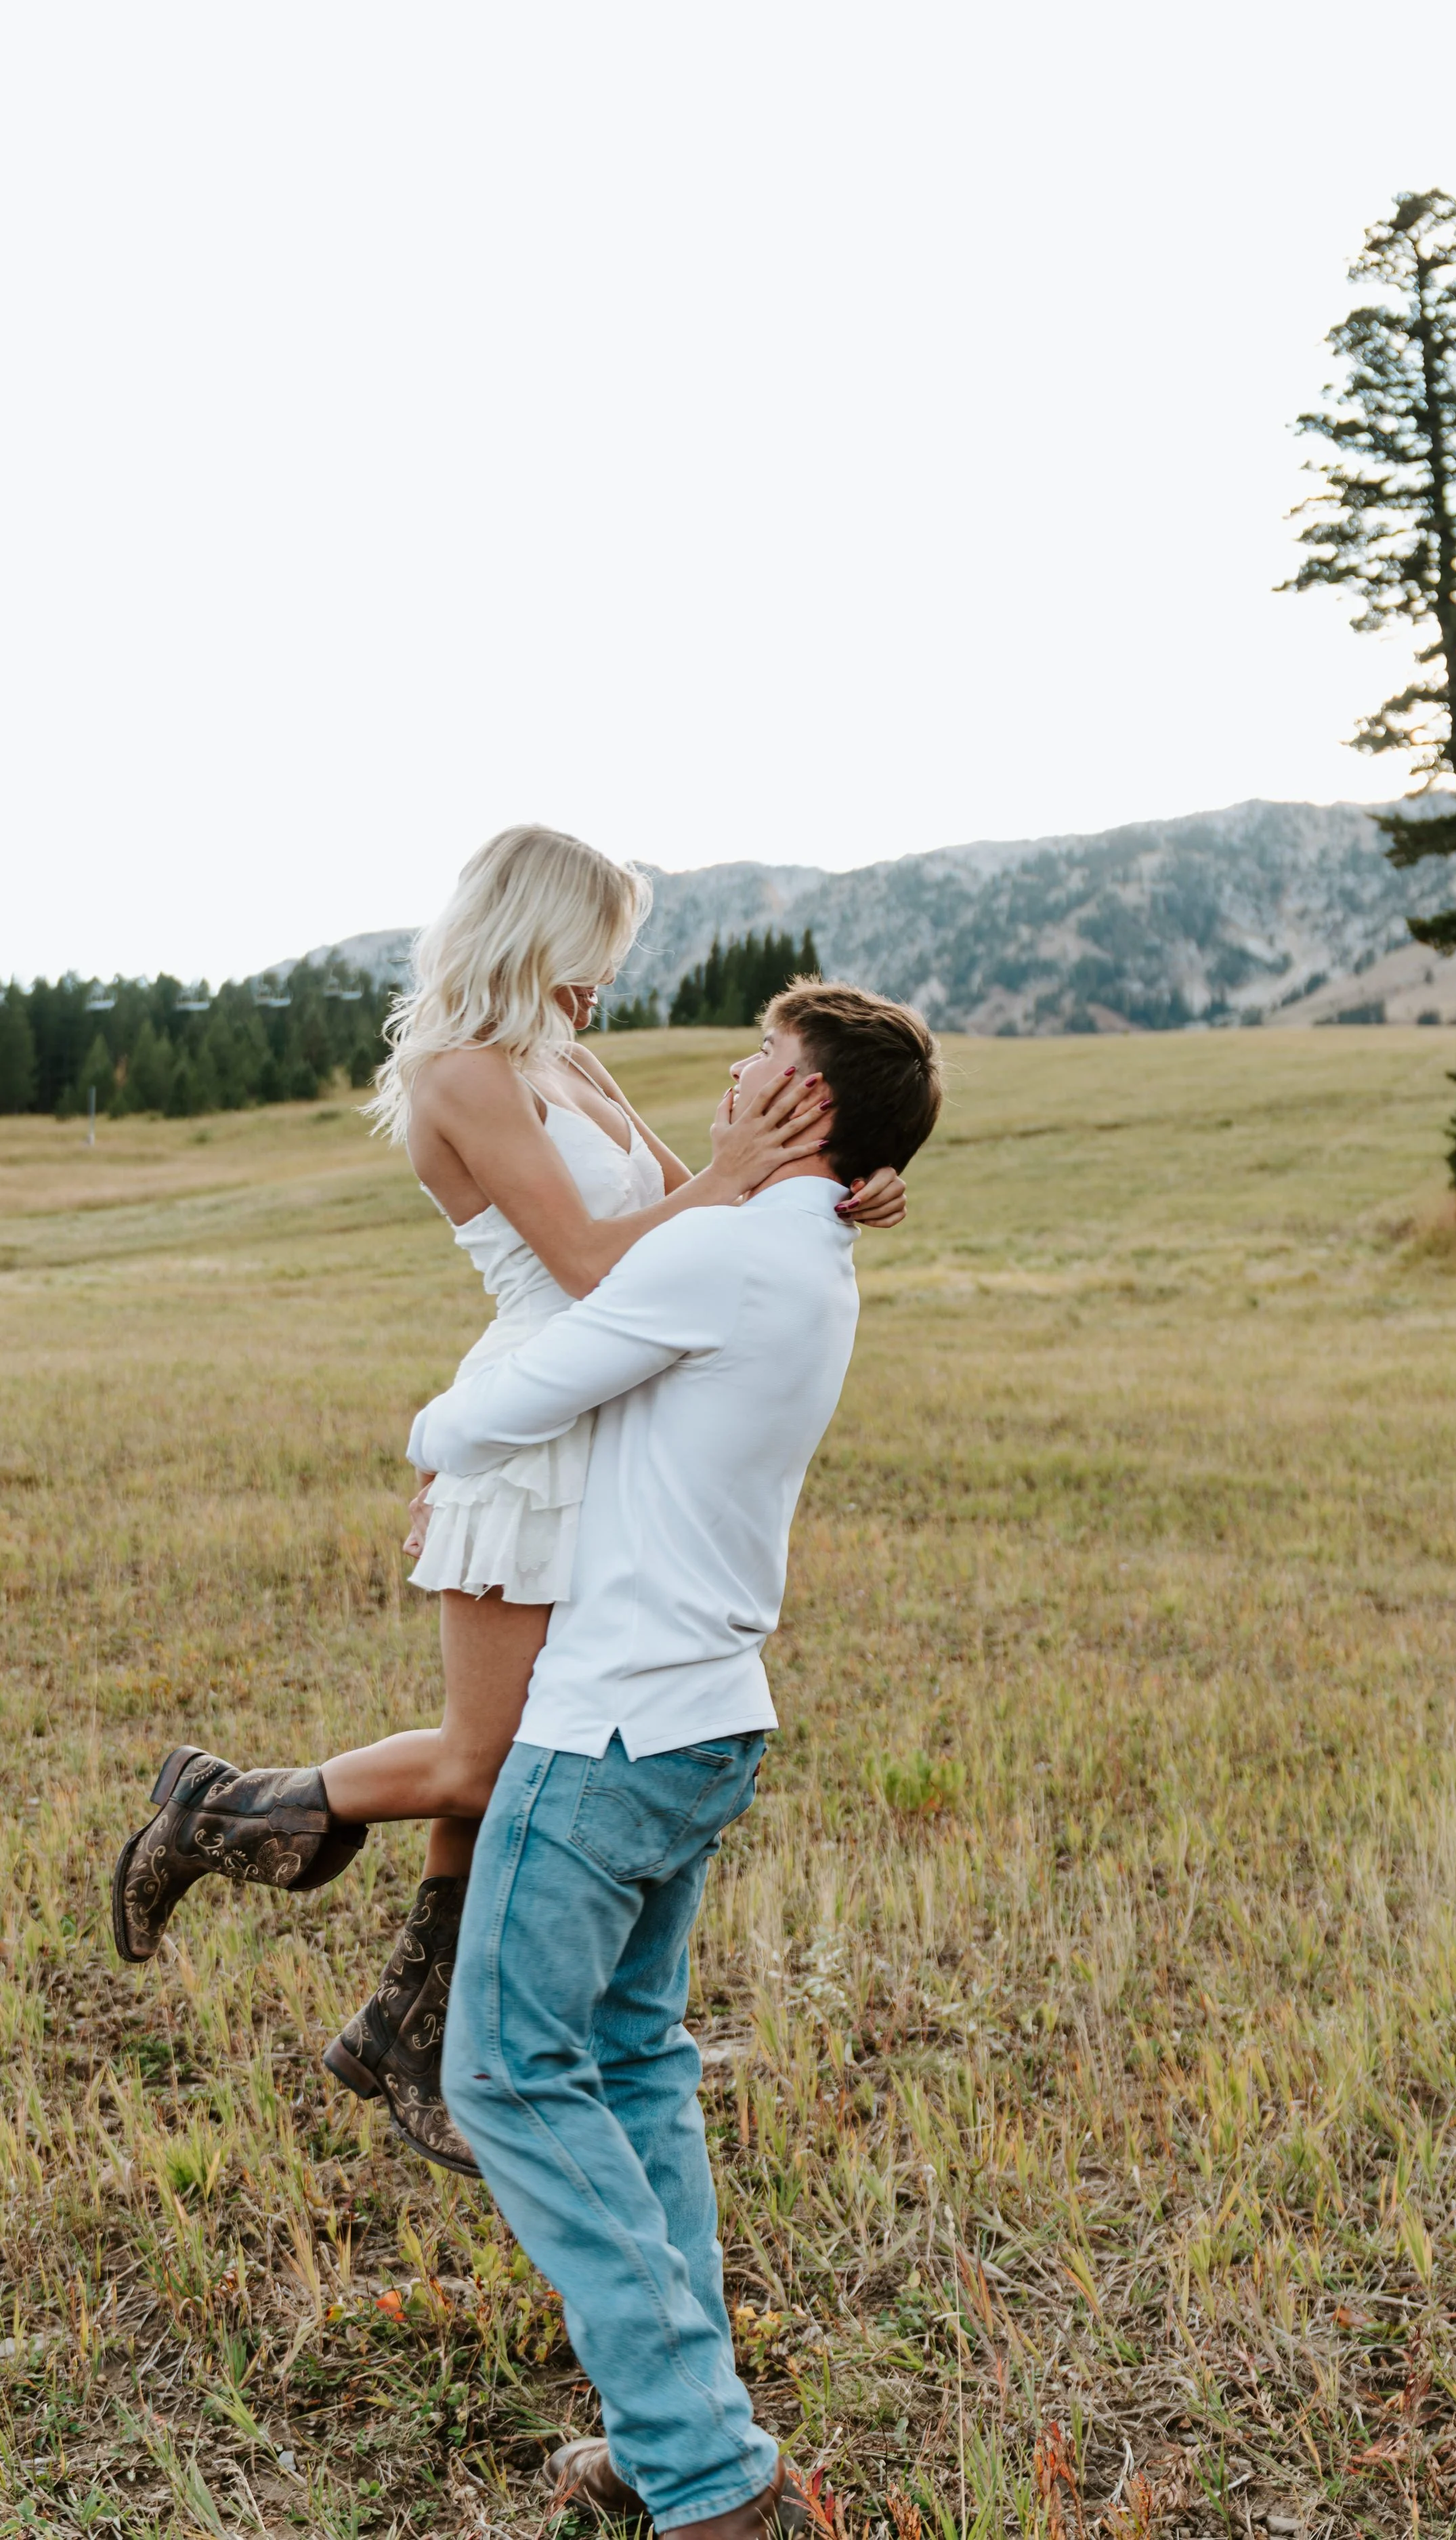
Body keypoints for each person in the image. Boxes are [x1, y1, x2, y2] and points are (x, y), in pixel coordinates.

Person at [110, 828, 910, 2167]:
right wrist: (724, 1181)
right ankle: (211, 1813)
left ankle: (407, 2032)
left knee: (519, 1757)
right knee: (484, 1759)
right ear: (536, 932)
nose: (604, 981)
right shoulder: (459, 1075)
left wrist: (829, 1193)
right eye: (595, 950)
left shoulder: (566, 1061)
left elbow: (695, 1209)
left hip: (606, 1432)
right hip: (529, 1426)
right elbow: (600, 1265)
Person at [418, 979, 944, 2540]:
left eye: (763, 1068)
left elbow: (476, 1423)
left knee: (507, 2074)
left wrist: (443, 1413)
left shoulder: (722, 1248)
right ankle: (679, 2446)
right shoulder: (812, 1242)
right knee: (636, 2068)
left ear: (811, 1115)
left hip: (610, 1729)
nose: (732, 1073)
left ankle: (706, 2477)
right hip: (705, 1717)